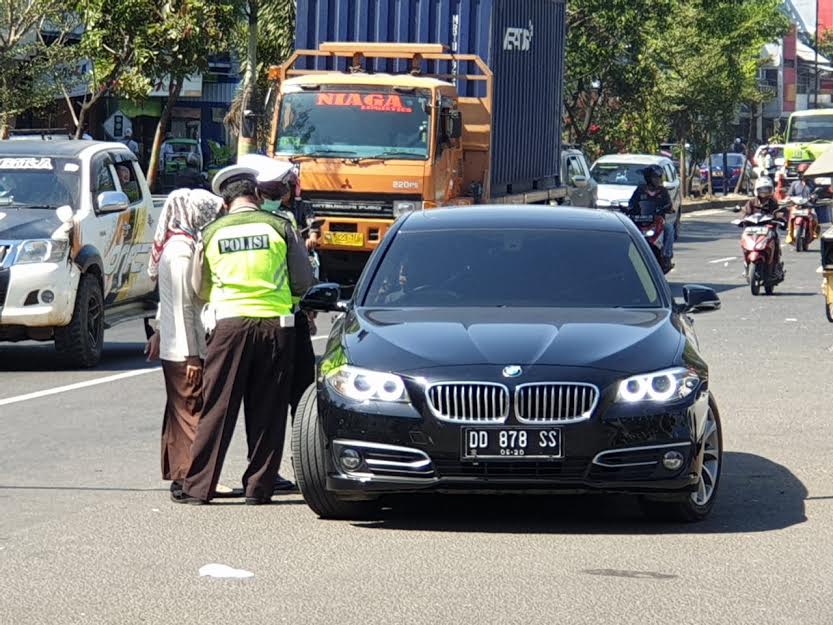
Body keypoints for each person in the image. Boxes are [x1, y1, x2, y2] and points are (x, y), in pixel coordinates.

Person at [174, 163, 315, 505]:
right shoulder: (281, 227)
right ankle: (258, 488)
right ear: (255, 194)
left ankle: (198, 488)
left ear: (226, 202)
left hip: (229, 326)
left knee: (218, 407)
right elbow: (303, 280)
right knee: (269, 408)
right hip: (276, 326)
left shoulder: (211, 233)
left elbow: (200, 287)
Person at [240, 153, 320, 494]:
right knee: (298, 397)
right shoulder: (281, 225)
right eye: (282, 187)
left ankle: (261, 471)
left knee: (260, 400)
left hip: (241, 322)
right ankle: (281, 470)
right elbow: (302, 278)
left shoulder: (232, 223)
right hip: (286, 322)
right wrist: (310, 305)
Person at [145, 189, 223, 498]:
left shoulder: (182, 245)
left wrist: (159, 332)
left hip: (178, 344)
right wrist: (193, 356)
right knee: (192, 412)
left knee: (181, 414)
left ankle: (183, 475)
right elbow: (181, 306)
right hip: (185, 349)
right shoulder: (180, 252)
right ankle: (192, 478)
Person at [628, 164, 675, 270]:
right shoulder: (640, 189)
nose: (658, 180)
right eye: (655, 177)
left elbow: (669, 205)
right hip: (641, 221)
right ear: (649, 178)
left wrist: (667, 208)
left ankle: (666, 255)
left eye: (659, 177)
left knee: (669, 228)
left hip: (657, 221)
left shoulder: (663, 191)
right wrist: (630, 209)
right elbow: (632, 203)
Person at [741, 177, 786, 276]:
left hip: (768, 229)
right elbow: (745, 213)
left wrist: (780, 219)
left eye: (767, 190)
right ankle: (746, 264)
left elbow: (779, 213)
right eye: (762, 190)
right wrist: (742, 220)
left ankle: (775, 265)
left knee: (775, 241)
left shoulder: (773, 202)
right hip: (752, 230)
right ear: (757, 190)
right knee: (744, 241)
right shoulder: (751, 202)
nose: (764, 193)